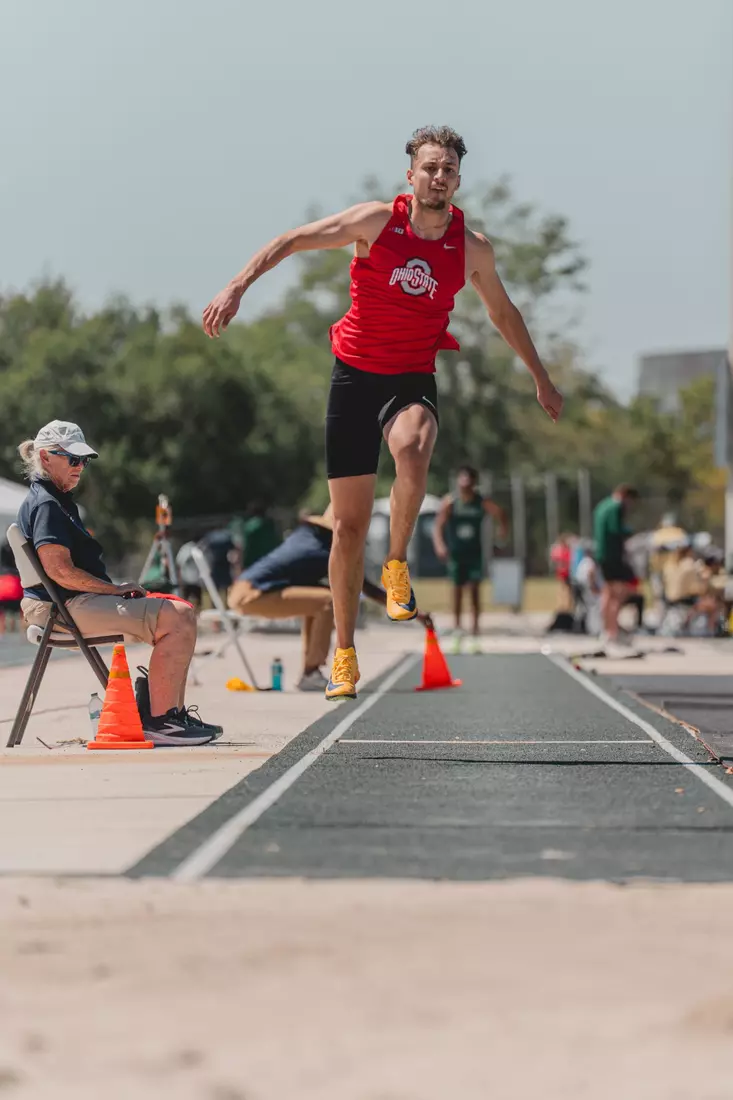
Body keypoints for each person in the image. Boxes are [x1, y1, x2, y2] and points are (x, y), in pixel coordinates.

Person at [203, 125, 563, 699]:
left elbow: (503, 311)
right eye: (430, 168)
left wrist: (540, 377)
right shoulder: (376, 223)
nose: (438, 177)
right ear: (411, 175)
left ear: (458, 180)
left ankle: (396, 563)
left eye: (448, 170)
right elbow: (295, 239)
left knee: (415, 449)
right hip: (353, 379)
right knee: (345, 528)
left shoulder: (471, 247)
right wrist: (237, 286)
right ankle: (343, 652)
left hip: (411, 377)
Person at [14, 420, 222, 745]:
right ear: (45, 457)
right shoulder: (47, 505)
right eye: (72, 459)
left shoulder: (55, 500)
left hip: (64, 603)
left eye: (84, 460)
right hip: (62, 607)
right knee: (177, 618)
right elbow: (59, 571)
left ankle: (169, 714)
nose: (80, 467)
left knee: (180, 610)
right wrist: (115, 590)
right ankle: (162, 720)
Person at [227, 505, 430, 692]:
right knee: (328, 600)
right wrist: (414, 613)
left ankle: (309, 670)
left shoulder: (308, 537)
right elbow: (364, 588)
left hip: (246, 589)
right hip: (253, 595)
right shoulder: (323, 551)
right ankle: (311, 672)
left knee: (320, 598)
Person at [431, 464, 508, 652]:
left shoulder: (481, 502)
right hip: (457, 554)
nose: (464, 483)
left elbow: (501, 515)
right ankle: (457, 631)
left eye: (468, 479)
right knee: (456, 592)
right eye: (462, 479)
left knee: (474, 592)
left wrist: (501, 534)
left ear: (473, 482)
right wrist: (440, 545)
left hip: (475, 553)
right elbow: (438, 526)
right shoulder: (451, 502)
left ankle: (474, 633)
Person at [592, 484, 640, 645]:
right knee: (620, 592)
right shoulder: (615, 507)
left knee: (607, 592)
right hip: (613, 555)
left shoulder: (602, 505)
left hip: (603, 555)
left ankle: (607, 629)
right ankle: (613, 630)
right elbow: (615, 529)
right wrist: (630, 531)